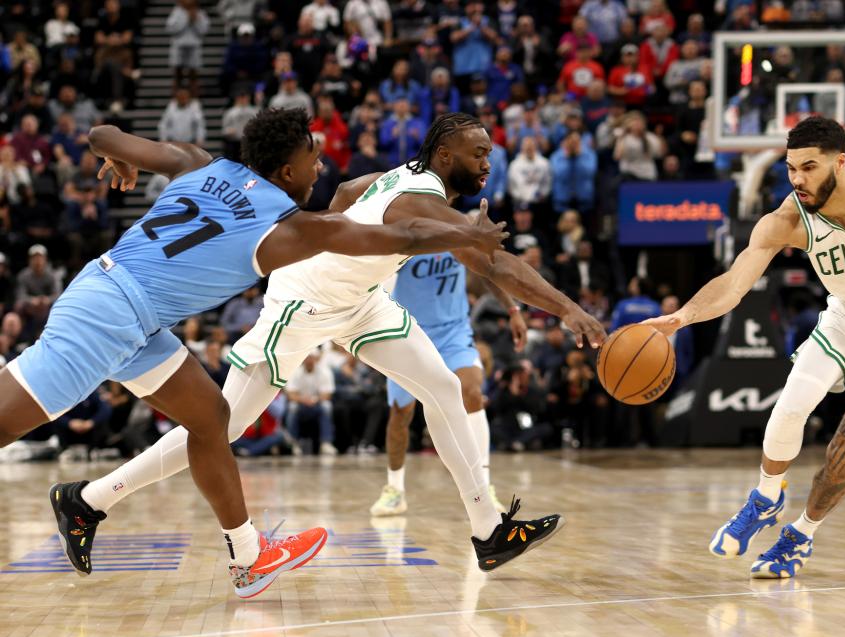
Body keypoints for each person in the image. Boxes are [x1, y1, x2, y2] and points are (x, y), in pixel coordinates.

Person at [68, 112, 606, 575]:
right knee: (220, 426)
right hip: (303, 300)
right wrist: (569, 310)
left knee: (443, 389)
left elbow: (348, 195)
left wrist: (339, 237)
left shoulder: (403, 176)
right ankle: (89, 500)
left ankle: (488, 531)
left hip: (362, 299)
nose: (490, 161)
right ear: (446, 154)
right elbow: (493, 263)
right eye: (479, 152)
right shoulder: (420, 200)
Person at [644, 117, 845, 578]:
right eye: (791, 168)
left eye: (809, 167)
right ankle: (765, 496)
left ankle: (800, 535)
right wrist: (683, 317)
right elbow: (735, 283)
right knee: (792, 402)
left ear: (841, 162)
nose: (797, 179)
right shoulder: (789, 217)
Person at [370, 223, 528, 516]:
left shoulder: (458, 231)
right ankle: (395, 489)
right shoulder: (405, 235)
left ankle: (484, 483)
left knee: (471, 392)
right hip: (409, 333)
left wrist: (512, 309)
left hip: (453, 332)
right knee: (400, 413)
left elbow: (487, 271)